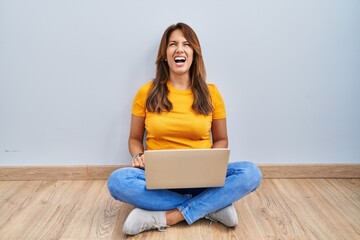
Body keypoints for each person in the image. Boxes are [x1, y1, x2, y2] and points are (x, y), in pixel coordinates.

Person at [107, 22, 262, 235]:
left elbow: (221, 139)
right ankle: (211, 208)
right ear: (164, 54)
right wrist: (138, 155)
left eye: (186, 44)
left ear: (194, 53)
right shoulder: (146, 92)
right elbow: (134, 138)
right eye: (173, 44)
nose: (179, 49)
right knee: (117, 181)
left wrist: (212, 163)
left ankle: (166, 216)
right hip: (156, 178)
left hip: (202, 178)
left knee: (251, 172)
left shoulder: (211, 93)